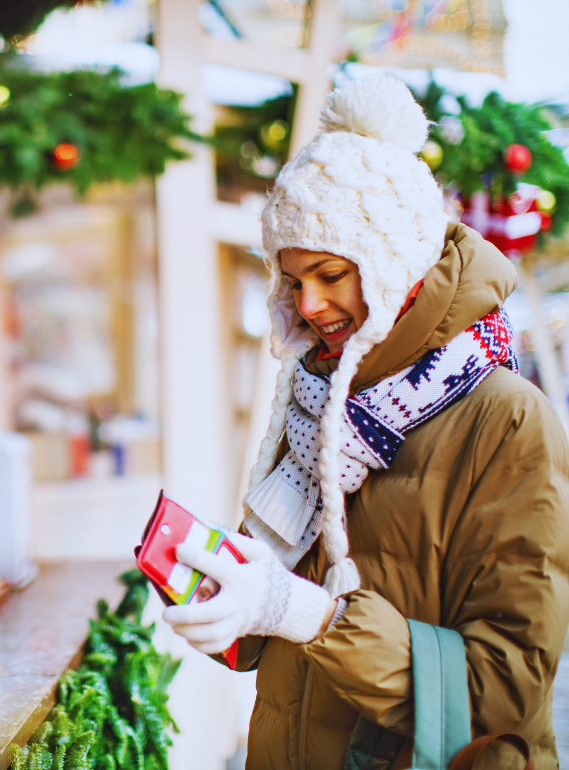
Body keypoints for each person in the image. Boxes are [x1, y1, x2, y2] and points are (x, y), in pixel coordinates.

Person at [162, 75, 569, 769]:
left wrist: (310, 614)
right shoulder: (316, 399)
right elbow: (278, 627)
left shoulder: (507, 417)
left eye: (330, 274)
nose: (311, 304)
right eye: (292, 281)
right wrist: (234, 602)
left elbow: (504, 686)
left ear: (393, 265)